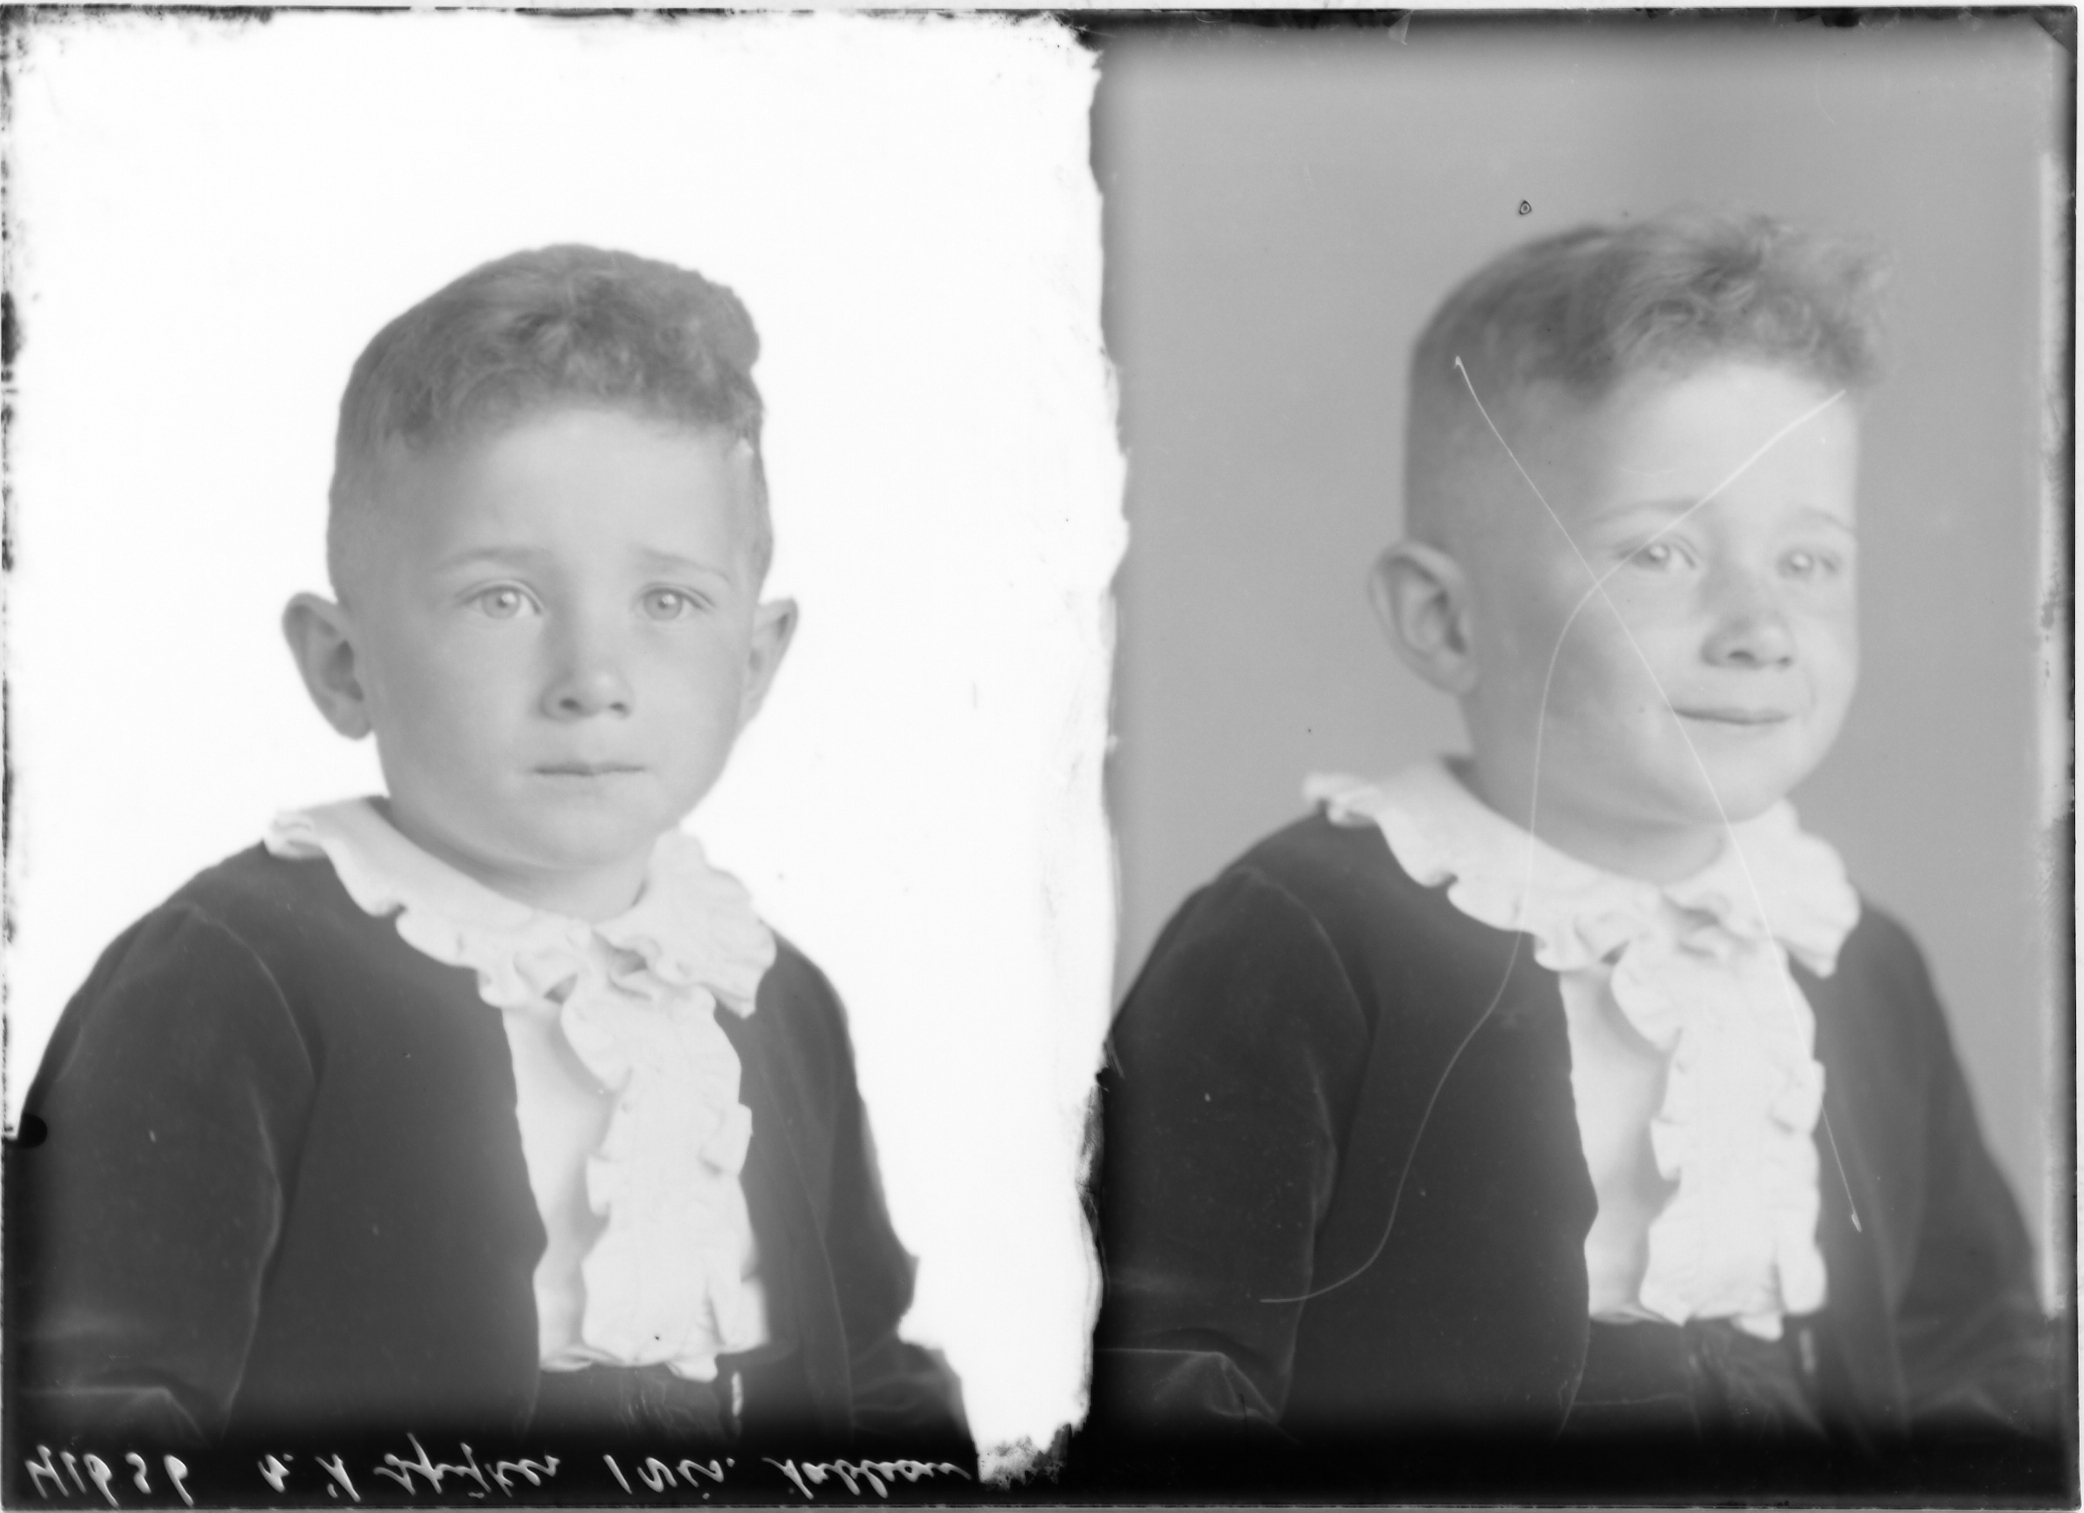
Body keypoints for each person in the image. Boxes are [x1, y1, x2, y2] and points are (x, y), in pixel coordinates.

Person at [1085, 209, 2067, 1496]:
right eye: (1660, 552)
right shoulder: (1300, 935)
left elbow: (1975, 1351)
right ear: (1444, 621)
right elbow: (1163, 1368)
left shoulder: (1847, 954)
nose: (1759, 627)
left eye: (1806, 560)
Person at [10, 247, 969, 1479]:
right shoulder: (230, 976)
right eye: (502, 598)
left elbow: (872, 1375)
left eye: (667, 601)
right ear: (343, 663)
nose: (592, 680)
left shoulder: (769, 991)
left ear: (755, 663)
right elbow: (92, 1412)